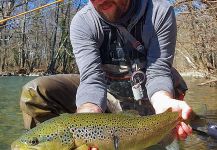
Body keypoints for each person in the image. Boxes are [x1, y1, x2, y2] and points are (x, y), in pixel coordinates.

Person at [20, 0, 192, 147]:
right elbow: (92, 78)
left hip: (152, 98)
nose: (100, 1)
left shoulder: (159, 12)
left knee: (163, 142)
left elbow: (158, 71)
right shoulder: (83, 22)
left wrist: (165, 106)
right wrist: (86, 118)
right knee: (35, 91)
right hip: (108, 95)